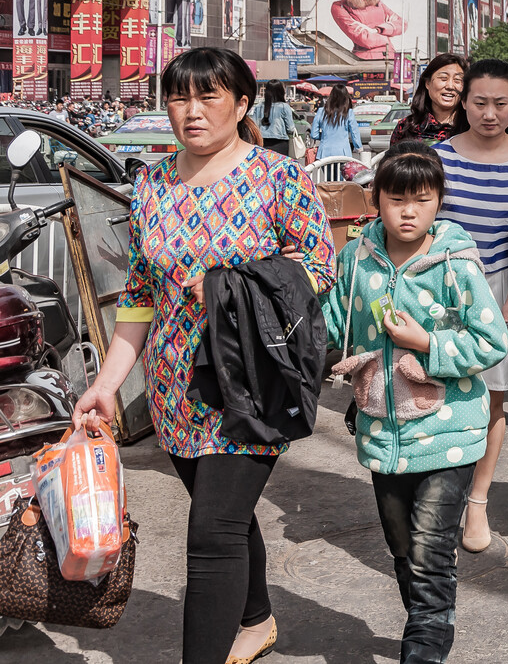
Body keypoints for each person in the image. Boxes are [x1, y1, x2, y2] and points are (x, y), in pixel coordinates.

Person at [71, 47, 336, 663]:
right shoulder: (153, 184)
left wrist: (232, 284)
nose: (191, 112)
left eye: (208, 97)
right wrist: (109, 383)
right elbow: (140, 295)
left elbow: (320, 265)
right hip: (175, 389)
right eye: (177, 98)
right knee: (229, 516)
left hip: (252, 380)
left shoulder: (278, 177)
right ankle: (256, 617)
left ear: (242, 104)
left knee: (211, 533)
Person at [322, 142, 508, 664]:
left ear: (439, 202)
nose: (408, 211)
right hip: (382, 432)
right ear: (376, 199)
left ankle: (426, 639)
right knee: (402, 544)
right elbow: (333, 325)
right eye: (396, 199)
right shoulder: (356, 258)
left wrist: (427, 343)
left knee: (430, 545)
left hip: (451, 433)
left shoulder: (456, 262)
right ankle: (425, 616)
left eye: (421, 200)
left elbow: (492, 343)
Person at [431, 59, 508, 553]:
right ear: (463, 102)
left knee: (491, 399)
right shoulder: (437, 157)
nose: (489, 113)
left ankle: (477, 502)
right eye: (479, 102)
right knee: (435, 395)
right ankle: (438, 498)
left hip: (500, 287)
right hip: (438, 288)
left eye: (500, 103)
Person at [392, 54, 467, 146]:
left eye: (457, 80)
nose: (450, 86)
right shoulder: (407, 127)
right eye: (443, 79)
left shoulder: (472, 128)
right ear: (427, 83)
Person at [310, 84, 362, 159]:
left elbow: (314, 135)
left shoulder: (321, 111)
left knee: (327, 171)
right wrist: (359, 148)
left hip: (324, 153)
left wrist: (326, 136)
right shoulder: (348, 112)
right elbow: (355, 133)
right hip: (343, 153)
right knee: (341, 171)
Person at [250, 79, 298, 157]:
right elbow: (290, 129)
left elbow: (253, 127)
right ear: (281, 92)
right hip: (280, 144)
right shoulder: (284, 107)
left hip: (262, 143)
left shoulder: (258, 107)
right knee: (279, 168)